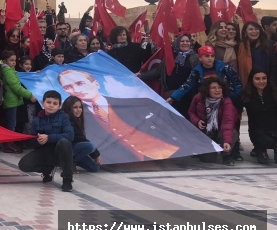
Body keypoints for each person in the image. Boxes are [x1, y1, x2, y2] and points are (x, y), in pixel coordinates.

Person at [60, 69, 214, 162]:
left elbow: (177, 126)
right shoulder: (72, 116)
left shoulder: (141, 103)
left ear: (95, 83)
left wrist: (205, 145)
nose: (75, 90)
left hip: (172, 153)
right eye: (68, 87)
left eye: (80, 83)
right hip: (125, 162)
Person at [18, 90, 74, 192]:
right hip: (44, 152)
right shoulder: (36, 120)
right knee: (23, 164)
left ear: (59, 106)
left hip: (59, 152)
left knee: (64, 142)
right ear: (43, 103)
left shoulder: (64, 117)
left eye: (55, 103)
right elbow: (29, 141)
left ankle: (67, 179)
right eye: (48, 102)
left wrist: (49, 137)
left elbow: (70, 135)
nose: (51, 106)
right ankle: (47, 169)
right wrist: (37, 141)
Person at [139, 34, 198, 119]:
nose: (185, 43)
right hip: (170, 94)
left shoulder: (195, 58)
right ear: (178, 43)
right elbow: (158, 71)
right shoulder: (170, 56)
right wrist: (142, 75)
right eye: (182, 41)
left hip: (188, 96)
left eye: (187, 41)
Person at [188, 77, 238, 165]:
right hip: (205, 132)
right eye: (213, 88)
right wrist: (197, 121)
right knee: (208, 160)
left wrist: (227, 141)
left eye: (219, 87)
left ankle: (226, 154)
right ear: (207, 90)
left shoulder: (226, 102)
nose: (217, 90)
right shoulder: (198, 98)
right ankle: (203, 150)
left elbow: (228, 122)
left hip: (220, 131)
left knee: (233, 133)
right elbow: (191, 112)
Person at [169, 46, 242, 105]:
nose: (210, 58)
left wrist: (233, 96)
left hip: (224, 101)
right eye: (207, 56)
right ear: (200, 58)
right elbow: (187, 85)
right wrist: (173, 97)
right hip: (205, 103)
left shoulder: (224, 67)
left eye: (212, 56)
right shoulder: (196, 71)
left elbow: (237, 81)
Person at [0, 50, 36, 153]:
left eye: (15, 60)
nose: (14, 63)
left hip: (13, 100)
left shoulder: (10, 71)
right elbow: (16, 87)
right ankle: (8, 144)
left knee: (12, 123)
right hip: (11, 101)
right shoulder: (8, 72)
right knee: (11, 124)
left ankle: (10, 142)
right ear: (5, 61)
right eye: (11, 60)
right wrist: (29, 95)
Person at [242, 68, 277, 164]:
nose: (261, 81)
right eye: (257, 79)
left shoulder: (274, 94)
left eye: (264, 78)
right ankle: (260, 149)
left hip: (274, 129)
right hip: (258, 132)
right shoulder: (246, 95)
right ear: (252, 80)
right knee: (264, 160)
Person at [61, 96, 102, 172]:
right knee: (91, 146)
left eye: (80, 107)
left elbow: (81, 138)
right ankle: (68, 162)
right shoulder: (67, 121)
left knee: (95, 168)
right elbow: (80, 138)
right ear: (68, 108)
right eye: (75, 107)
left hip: (75, 150)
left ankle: (74, 161)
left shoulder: (76, 120)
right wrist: (96, 155)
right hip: (67, 149)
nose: (79, 110)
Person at [237, 21, 277, 87]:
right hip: (248, 84)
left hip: (267, 83)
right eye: (251, 29)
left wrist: (272, 84)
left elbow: (273, 66)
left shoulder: (269, 45)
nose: (254, 31)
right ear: (245, 32)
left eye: (256, 29)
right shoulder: (240, 47)